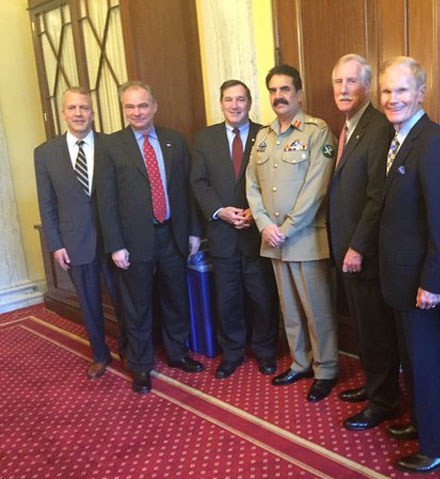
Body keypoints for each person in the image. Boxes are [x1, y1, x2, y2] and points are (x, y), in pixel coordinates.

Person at [378, 57, 440, 474]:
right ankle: (422, 422)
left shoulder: (436, 142)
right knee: (413, 362)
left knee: (428, 364)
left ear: (421, 93)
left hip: (424, 286)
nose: (393, 99)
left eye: (402, 90)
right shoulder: (399, 139)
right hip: (401, 281)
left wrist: (432, 283)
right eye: (387, 92)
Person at [96, 81, 204, 394]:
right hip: (132, 243)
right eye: (130, 106)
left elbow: (187, 191)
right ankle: (141, 366)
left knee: (176, 299)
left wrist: (194, 231)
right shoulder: (110, 147)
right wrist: (115, 244)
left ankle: (177, 353)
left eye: (142, 105)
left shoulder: (175, 141)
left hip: (172, 235)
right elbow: (106, 201)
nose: (137, 112)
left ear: (154, 106)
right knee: (137, 306)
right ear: (123, 110)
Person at [245, 64, 338, 402]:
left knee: (317, 309)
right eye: (273, 90)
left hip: (305, 238)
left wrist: (285, 228)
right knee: (290, 308)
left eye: (285, 90)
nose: (278, 96)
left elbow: (317, 189)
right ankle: (301, 362)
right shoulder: (264, 136)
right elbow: (252, 185)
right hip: (273, 240)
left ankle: (326, 368)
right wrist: (264, 225)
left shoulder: (316, 131)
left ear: (299, 94)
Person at [327, 54, 401, 430]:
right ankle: (375, 388)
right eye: (338, 81)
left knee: (375, 330)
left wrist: (357, 246)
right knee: (362, 325)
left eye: (351, 81)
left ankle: (384, 401)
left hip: (364, 252)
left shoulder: (377, 126)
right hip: (345, 249)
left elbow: (377, 195)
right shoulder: (347, 127)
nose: (343, 89)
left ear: (367, 87)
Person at [34, 87, 126, 379]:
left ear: (92, 113)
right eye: (72, 108)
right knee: (88, 302)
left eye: (84, 108)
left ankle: (130, 351)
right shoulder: (45, 153)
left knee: (123, 299)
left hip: (113, 240)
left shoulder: (111, 145)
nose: (78, 114)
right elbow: (46, 203)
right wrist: (56, 244)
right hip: (75, 241)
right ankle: (100, 355)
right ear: (63, 113)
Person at [191, 80, 279, 379]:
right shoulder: (204, 139)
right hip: (223, 234)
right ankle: (232, 353)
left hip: (258, 233)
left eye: (241, 99)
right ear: (221, 103)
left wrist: (256, 213)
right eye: (229, 99)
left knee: (262, 298)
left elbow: (274, 182)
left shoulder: (267, 135)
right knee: (227, 299)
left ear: (250, 102)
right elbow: (198, 182)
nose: (235, 105)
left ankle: (266, 352)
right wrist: (220, 212)